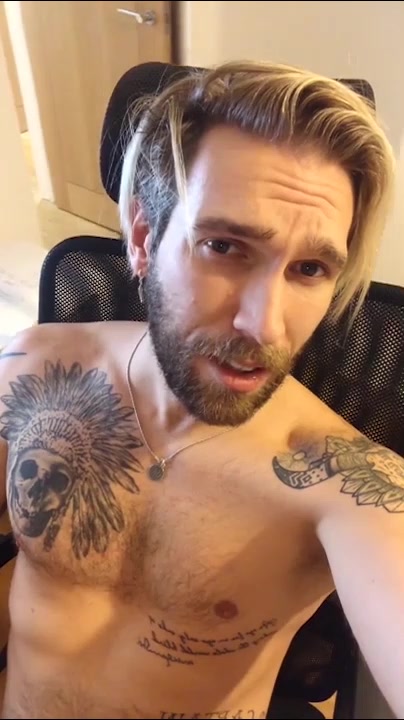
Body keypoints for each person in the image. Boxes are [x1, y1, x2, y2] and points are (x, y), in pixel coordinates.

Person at [0, 59, 401, 720]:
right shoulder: (31, 371)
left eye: (309, 269)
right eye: (224, 246)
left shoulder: (346, 487)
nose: (264, 325)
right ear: (142, 238)